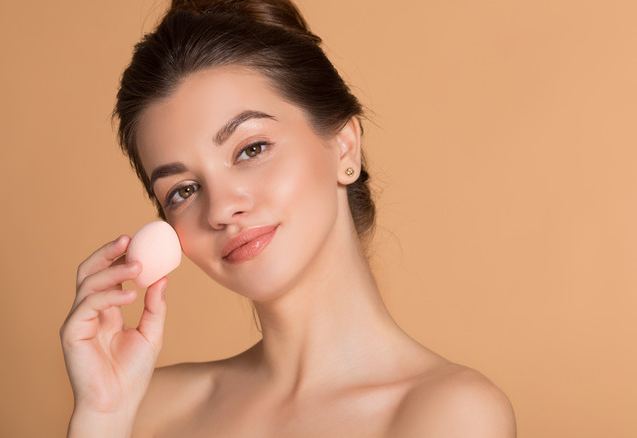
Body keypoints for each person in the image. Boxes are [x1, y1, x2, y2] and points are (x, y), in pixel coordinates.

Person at [60, 0, 517, 436]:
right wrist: (102, 419)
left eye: (251, 149)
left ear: (344, 146)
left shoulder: (450, 414)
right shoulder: (147, 408)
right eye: (183, 191)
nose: (220, 210)